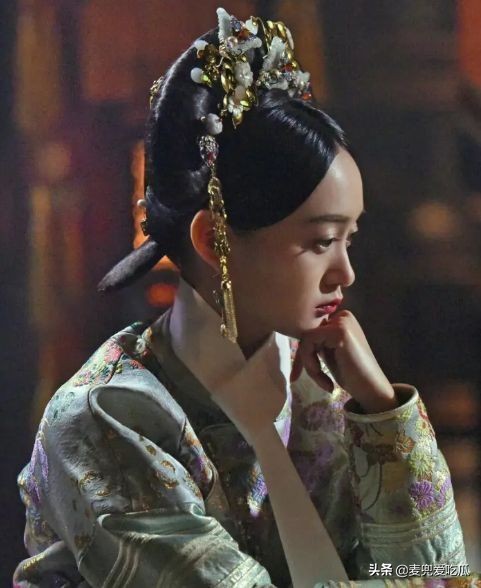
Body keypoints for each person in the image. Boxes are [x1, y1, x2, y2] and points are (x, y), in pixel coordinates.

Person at [14, 7, 476, 588]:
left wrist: (382, 407)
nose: (345, 273)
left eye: (349, 239)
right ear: (214, 240)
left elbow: (437, 576)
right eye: (320, 242)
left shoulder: (323, 391)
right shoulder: (108, 418)